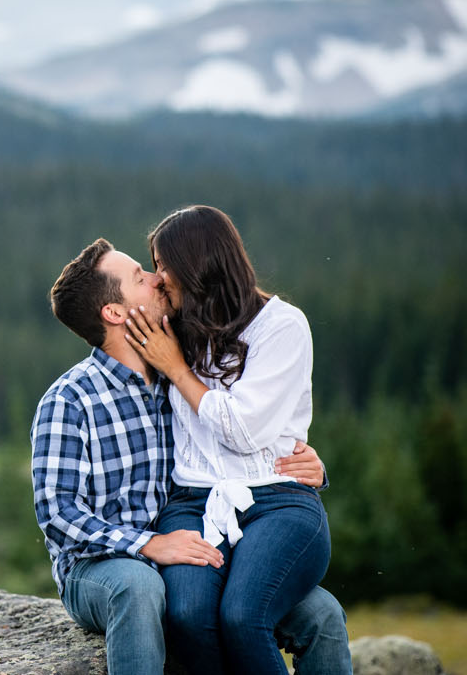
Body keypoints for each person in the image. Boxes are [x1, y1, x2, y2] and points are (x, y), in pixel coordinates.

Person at [32, 236, 349, 675]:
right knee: (139, 587)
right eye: (141, 277)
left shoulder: (180, 373)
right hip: (105, 566)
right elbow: (57, 512)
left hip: (198, 545)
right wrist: (150, 545)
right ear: (115, 313)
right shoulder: (70, 399)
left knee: (321, 612)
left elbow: (242, 429)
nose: (159, 278)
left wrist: (304, 464)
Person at [124, 205, 331, 675]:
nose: (157, 280)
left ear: (196, 265)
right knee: (188, 615)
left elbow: (245, 431)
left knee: (243, 615)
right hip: (193, 503)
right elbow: (109, 313)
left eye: (161, 265)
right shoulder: (174, 328)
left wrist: (176, 369)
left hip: (277, 501)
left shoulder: (282, 326)